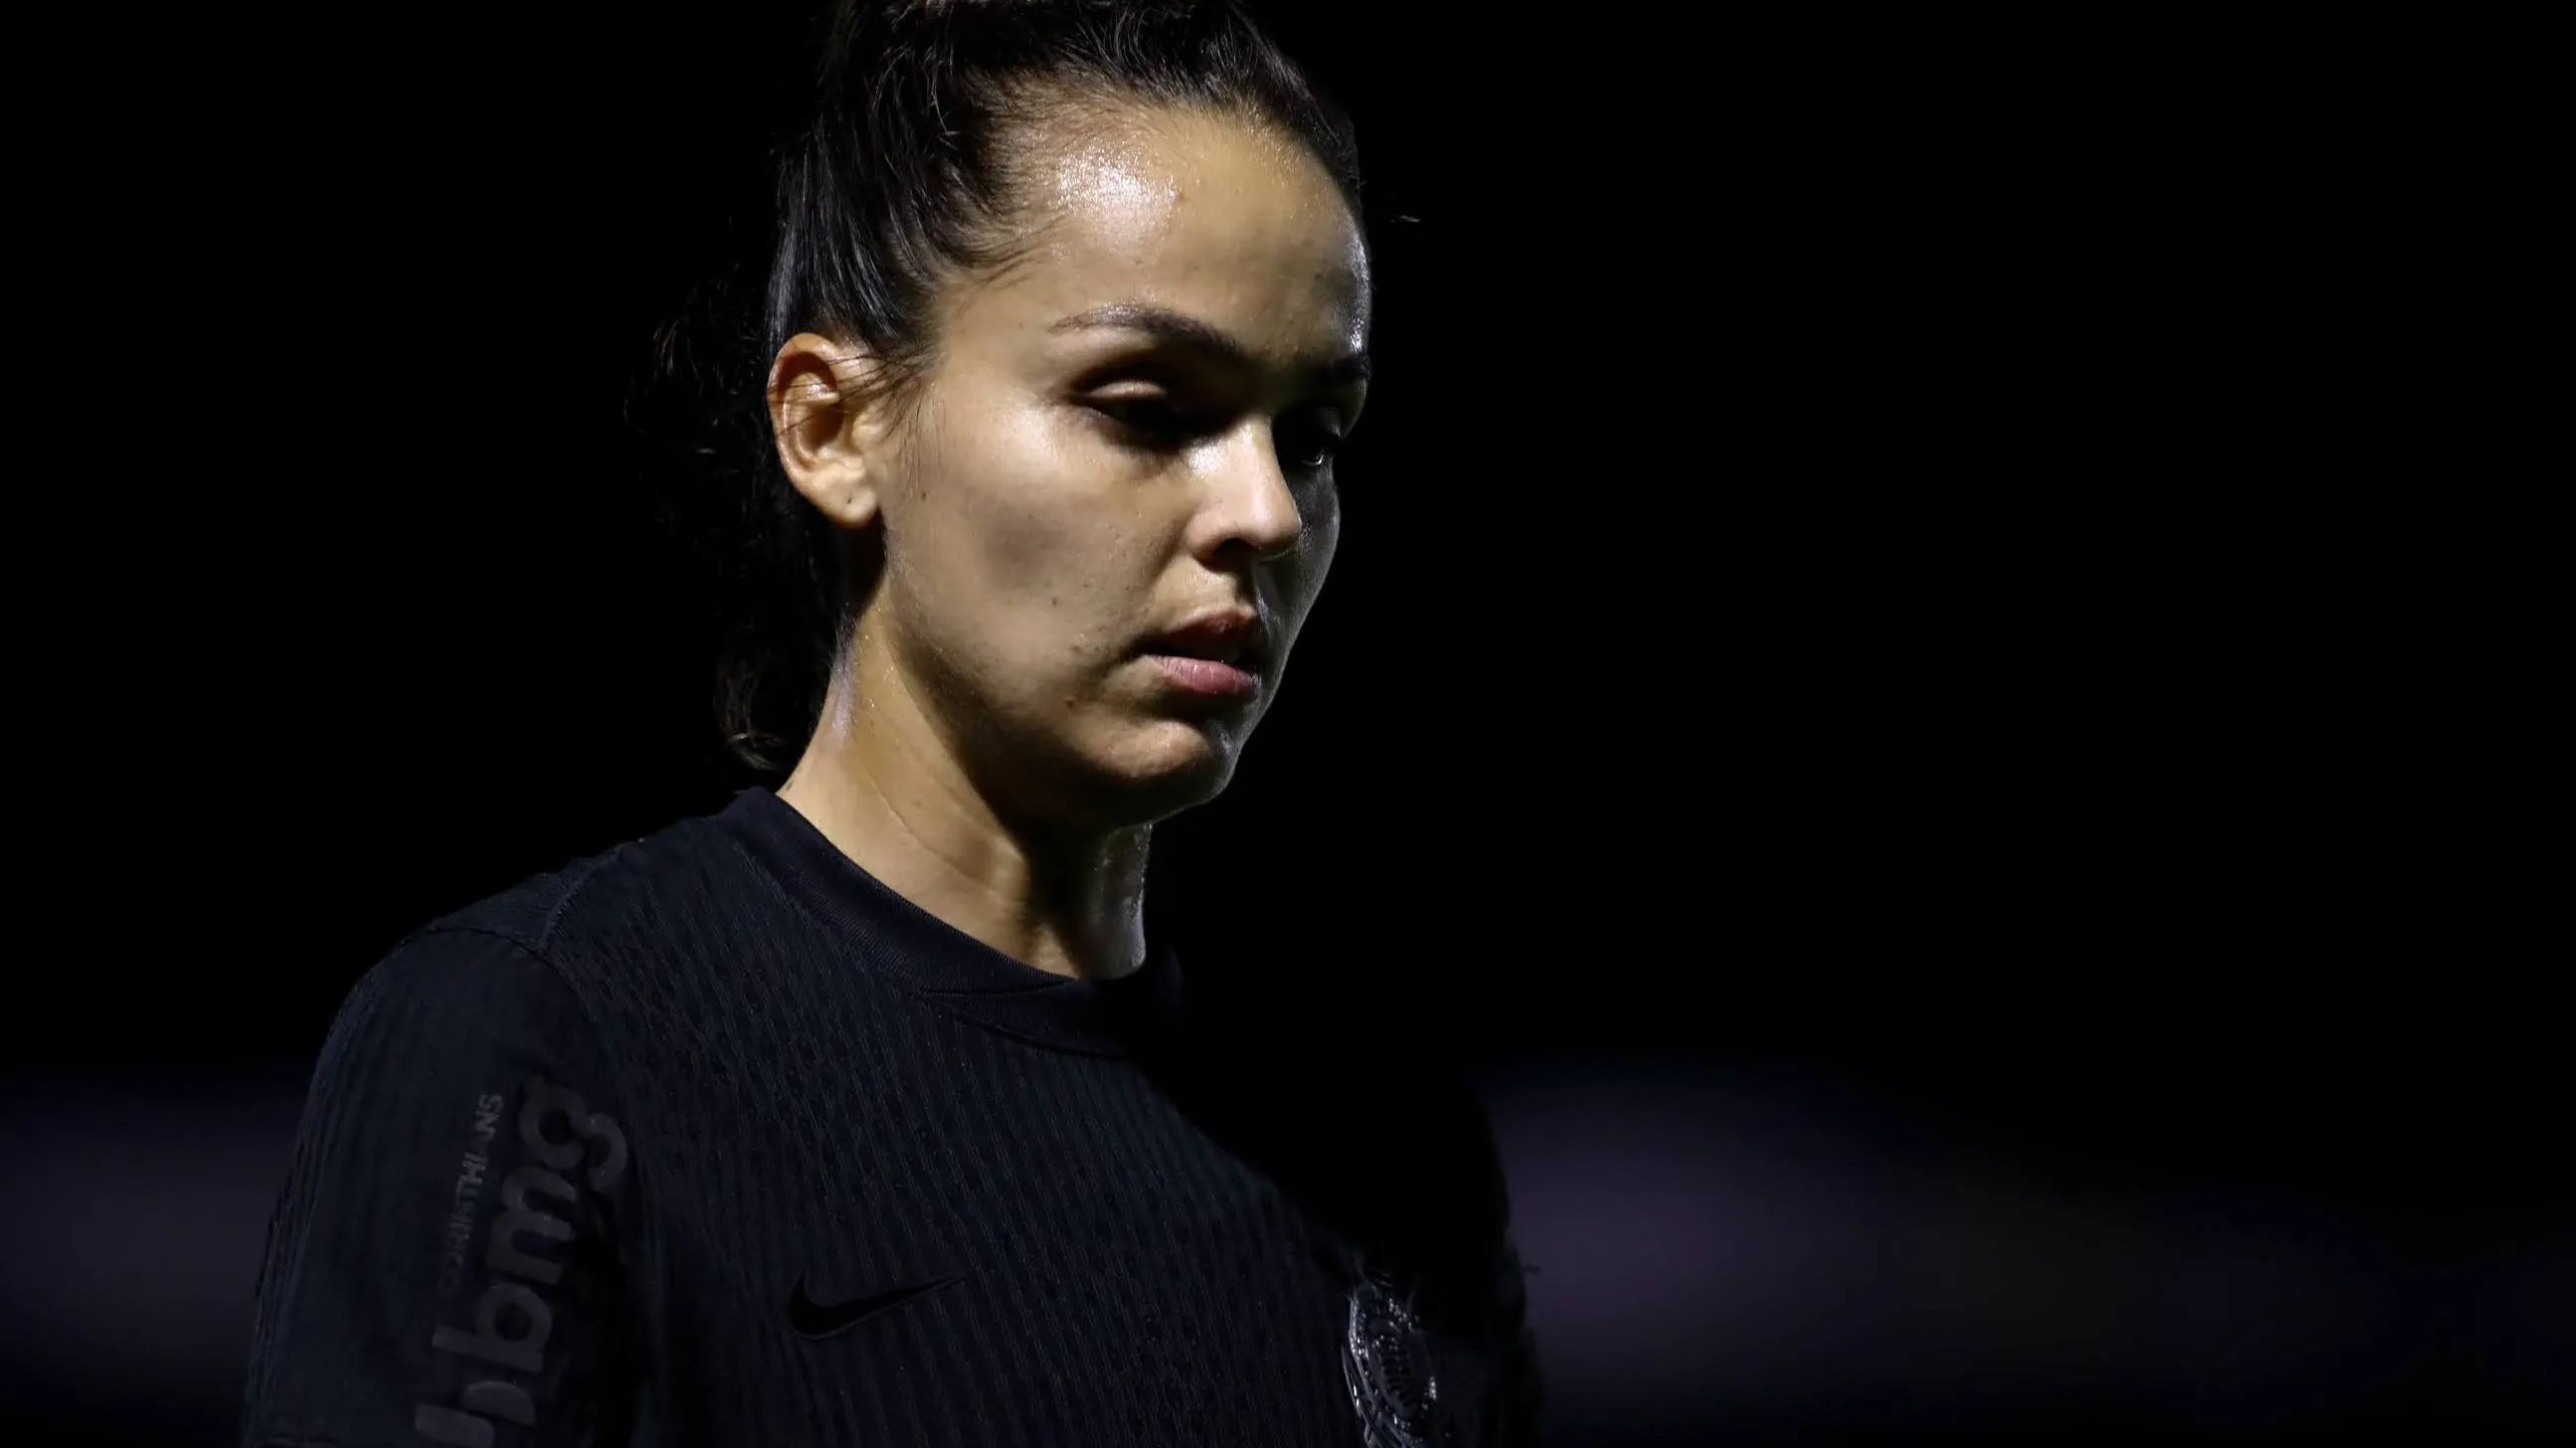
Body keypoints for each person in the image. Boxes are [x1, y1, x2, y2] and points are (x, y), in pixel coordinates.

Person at [236, 2, 1544, 1445]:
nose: (1263, 513)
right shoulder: (541, 1041)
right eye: (1144, 404)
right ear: (833, 426)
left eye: (1310, 433)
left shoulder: (1392, 1163)